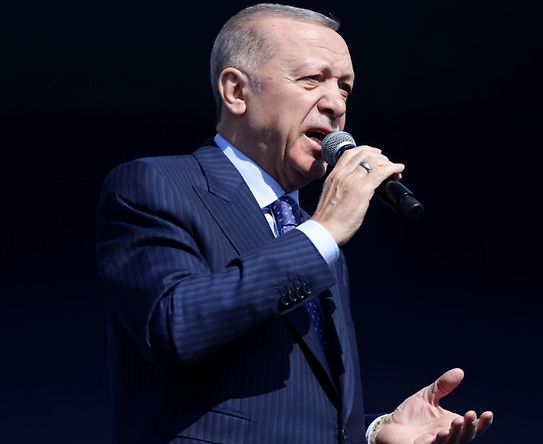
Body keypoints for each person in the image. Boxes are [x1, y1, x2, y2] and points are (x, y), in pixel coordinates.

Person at [96, 4, 493, 444]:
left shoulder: (311, 235)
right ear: (236, 91)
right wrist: (321, 233)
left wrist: (376, 432)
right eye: (312, 79)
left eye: (345, 88)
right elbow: (173, 327)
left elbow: (293, 413)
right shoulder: (154, 184)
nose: (336, 103)